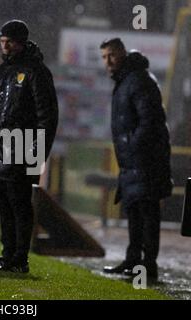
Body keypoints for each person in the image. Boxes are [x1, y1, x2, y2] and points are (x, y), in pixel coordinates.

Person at [0, 20, 58, 273]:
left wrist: (37, 153)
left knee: (19, 204)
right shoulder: (3, 72)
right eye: (3, 41)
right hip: (0, 148)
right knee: (3, 203)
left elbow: (47, 116)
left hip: (22, 148)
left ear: (21, 41)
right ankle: (7, 255)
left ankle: (19, 259)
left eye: (9, 42)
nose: (5, 46)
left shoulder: (36, 72)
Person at [100, 38, 173, 281]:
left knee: (147, 212)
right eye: (104, 57)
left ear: (121, 53)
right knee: (133, 210)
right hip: (133, 161)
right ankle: (133, 260)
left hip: (145, 160)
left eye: (111, 55)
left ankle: (146, 265)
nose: (107, 61)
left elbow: (149, 121)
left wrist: (132, 147)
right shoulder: (127, 81)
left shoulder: (138, 80)